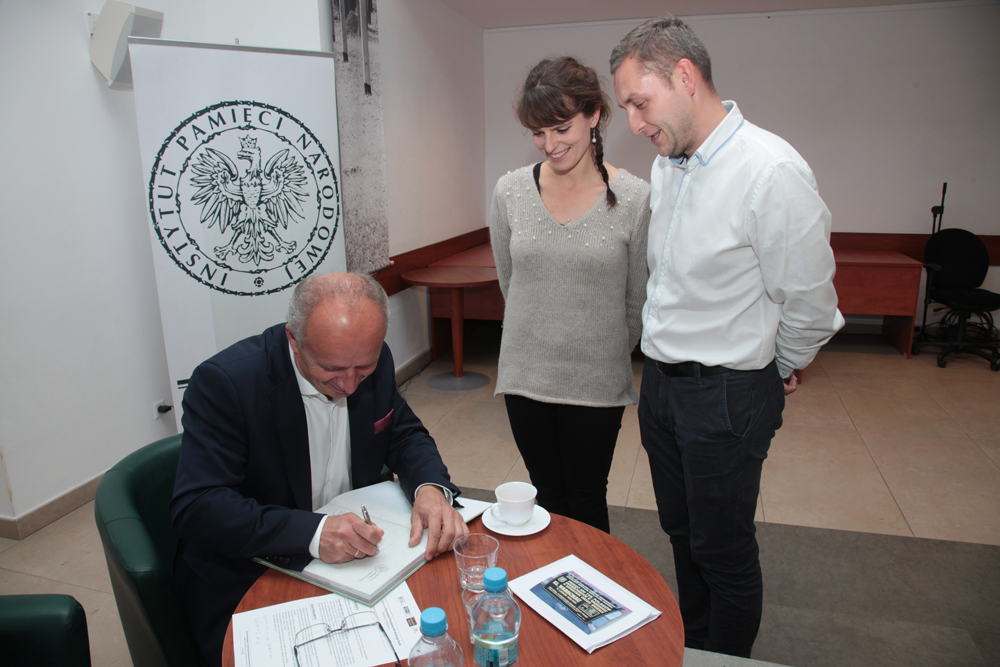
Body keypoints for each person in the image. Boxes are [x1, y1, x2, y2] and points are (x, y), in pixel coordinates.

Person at [610, 17, 844, 658]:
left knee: (723, 548)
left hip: (726, 394)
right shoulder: (670, 163)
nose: (633, 122)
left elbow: (812, 305)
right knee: (682, 533)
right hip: (662, 388)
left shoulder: (770, 170)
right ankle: (696, 646)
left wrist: (773, 368)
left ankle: (724, 658)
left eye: (639, 102)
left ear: (685, 77)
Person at [170, 272, 468, 666]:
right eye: (331, 369)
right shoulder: (227, 383)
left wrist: (429, 489)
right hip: (252, 573)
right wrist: (313, 533)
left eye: (363, 369)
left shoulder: (370, 361)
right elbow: (198, 507)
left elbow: (405, 434)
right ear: (294, 339)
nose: (349, 385)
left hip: (358, 568)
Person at [490, 56, 651, 534]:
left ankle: (589, 582)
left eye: (562, 128)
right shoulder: (510, 192)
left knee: (585, 499)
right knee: (546, 496)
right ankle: (551, 580)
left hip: (596, 382)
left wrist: (597, 350)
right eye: (538, 133)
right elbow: (510, 282)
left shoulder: (635, 199)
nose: (551, 144)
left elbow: (636, 301)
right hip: (526, 377)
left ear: (594, 115)